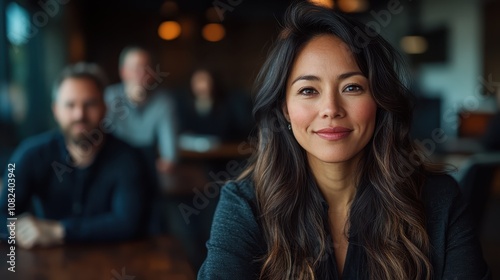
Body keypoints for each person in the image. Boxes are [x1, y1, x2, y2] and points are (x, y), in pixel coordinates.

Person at [199, 3, 491, 280]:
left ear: (379, 100)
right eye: (308, 90)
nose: (331, 108)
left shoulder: (439, 200)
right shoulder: (245, 206)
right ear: (285, 108)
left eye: (352, 87)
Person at [0, 63, 145, 248]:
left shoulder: (129, 158)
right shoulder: (29, 154)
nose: (79, 114)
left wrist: (59, 230)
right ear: (56, 110)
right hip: (44, 268)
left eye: (89, 104)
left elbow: (129, 224)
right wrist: (17, 229)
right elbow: (3, 213)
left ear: (105, 107)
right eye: (70, 105)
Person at [105, 46, 178, 234]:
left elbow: (170, 155)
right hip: (111, 169)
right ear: (123, 72)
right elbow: (99, 138)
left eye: (146, 68)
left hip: (147, 170)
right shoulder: (109, 97)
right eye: (135, 67)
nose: (141, 73)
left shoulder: (164, 101)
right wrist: (127, 102)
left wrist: (164, 163)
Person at [176, 67, 252, 142]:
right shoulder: (184, 106)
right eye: (198, 81)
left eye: (205, 81)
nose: (202, 87)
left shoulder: (227, 105)